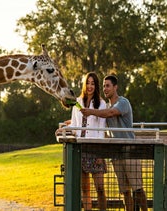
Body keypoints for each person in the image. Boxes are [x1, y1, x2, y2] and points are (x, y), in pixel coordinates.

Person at [80, 75, 148, 211]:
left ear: (115, 87)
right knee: (125, 191)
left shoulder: (123, 102)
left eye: (108, 86)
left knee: (138, 189)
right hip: (116, 155)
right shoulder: (105, 107)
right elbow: (93, 121)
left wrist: (90, 112)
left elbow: (111, 113)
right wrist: (67, 124)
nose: (105, 89)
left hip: (130, 152)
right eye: (104, 86)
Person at [58, 72, 107, 211]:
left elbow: (101, 129)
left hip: (95, 150)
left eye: (93, 83)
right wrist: (63, 129)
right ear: (84, 84)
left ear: (96, 86)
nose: (90, 86)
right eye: (88, 83)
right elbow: (74, 124)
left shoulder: (101, 104)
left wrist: (100, 154)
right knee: (85, 190)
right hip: (81, 149)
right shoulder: (77, 102)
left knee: (100, 188)